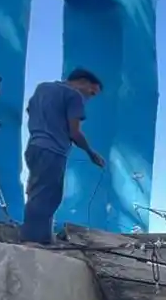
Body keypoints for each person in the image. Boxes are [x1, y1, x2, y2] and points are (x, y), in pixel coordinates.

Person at [21, 68, 106, 245]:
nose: (89, 98)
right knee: (48, 197)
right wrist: (91, 153)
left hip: (34, 146)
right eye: (92, 93)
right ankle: (35, 241)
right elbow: (74, 132)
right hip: (53, 149)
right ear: (83, 82)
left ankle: (38, 238)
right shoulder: (74, 96)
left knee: (37, 192)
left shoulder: (42, 88)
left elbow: (30, 110)